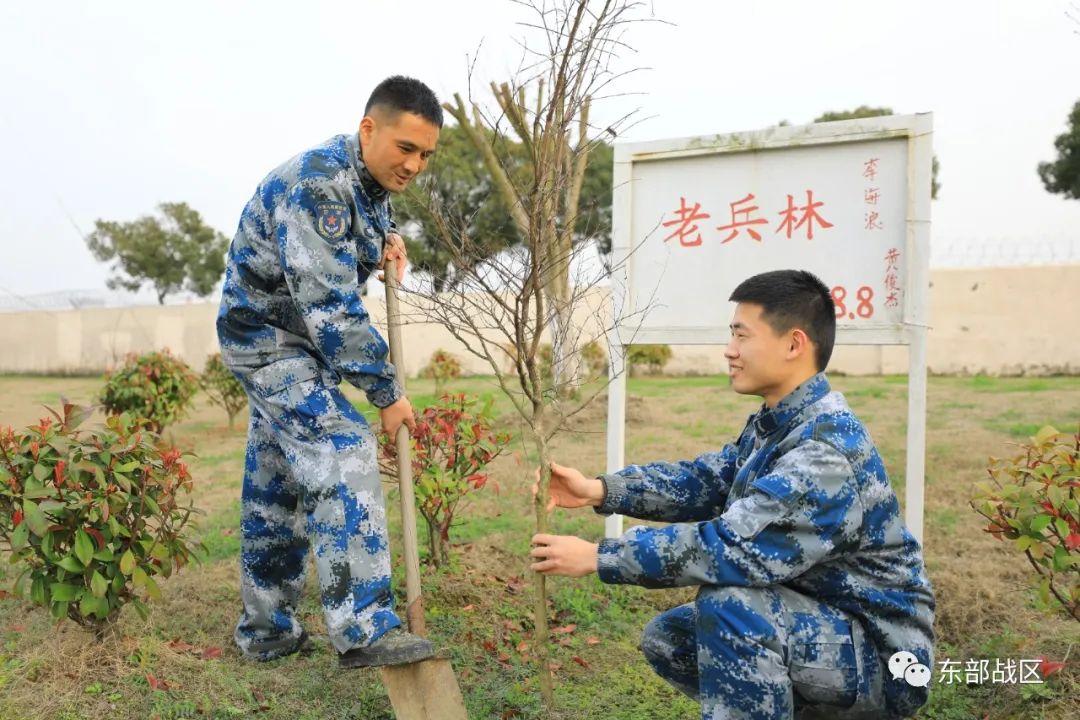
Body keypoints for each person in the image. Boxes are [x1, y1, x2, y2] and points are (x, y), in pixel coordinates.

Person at [530, 269, 935, 719]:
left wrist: (600, 556)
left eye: (742, 335)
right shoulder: (782, 423)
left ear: (794, 344)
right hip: (826, 625)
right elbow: (708, 481)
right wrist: (600, 489)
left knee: (729, 608)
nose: (729, 349)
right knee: (674, 637)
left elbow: (730, 547)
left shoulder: (824, 452)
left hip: (885, 658)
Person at [216, 75, 441, 667]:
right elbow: (331, 307)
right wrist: (386, 391)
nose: (415, 165)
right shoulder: (318, 183)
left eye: (425, 154)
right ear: (369, 129)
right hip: (268, 341)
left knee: (275, 485)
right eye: (406, 148)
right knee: (343, 446)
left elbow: (353, 240)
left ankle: (267, 634)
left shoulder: (369, 185)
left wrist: (386, 241)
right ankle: (364, 626)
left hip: (297, 343)